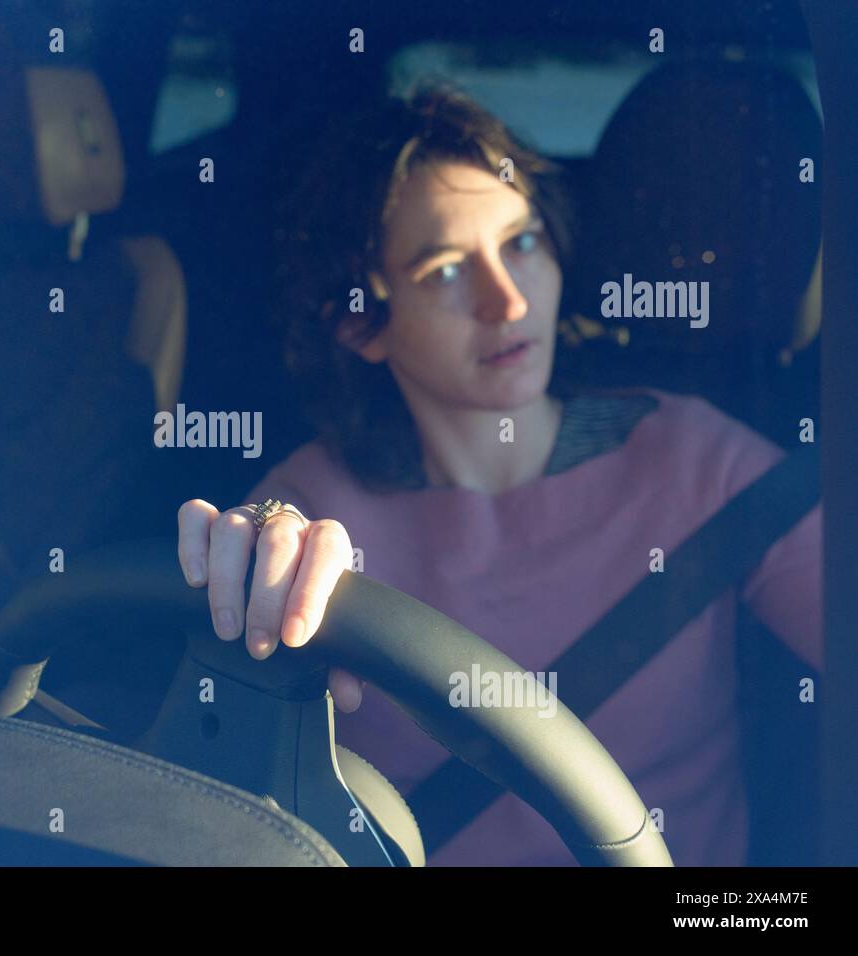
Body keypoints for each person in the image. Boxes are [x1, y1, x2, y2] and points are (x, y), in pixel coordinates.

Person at [174, 86, 823, 866]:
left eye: (521, 242)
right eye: (446, 271)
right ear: (360, 322)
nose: (507, 300)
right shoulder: (313, 505)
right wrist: (253, 565)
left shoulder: (698, 460)